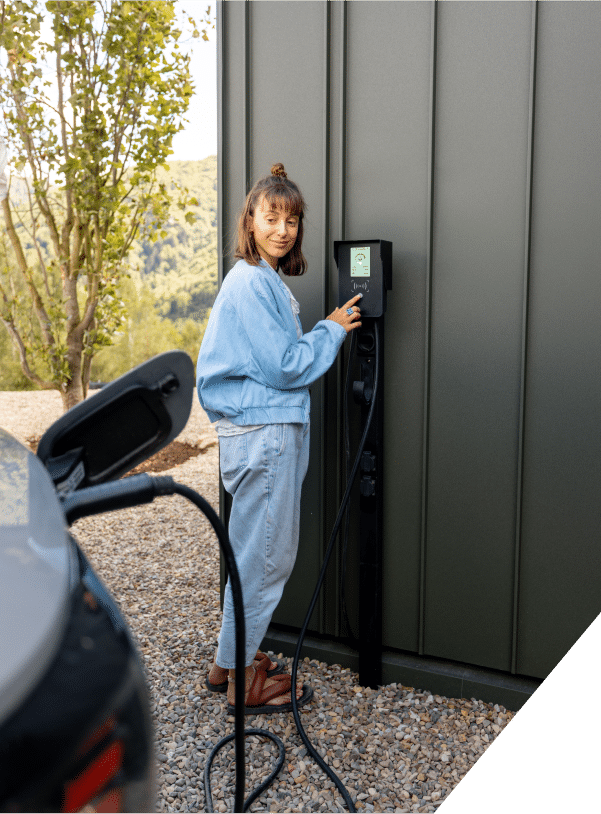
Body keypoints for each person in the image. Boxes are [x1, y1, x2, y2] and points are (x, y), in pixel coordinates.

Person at [196, 163, 362, 714]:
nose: (283, 229)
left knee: (250, 554)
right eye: (272, 217)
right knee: (266, 558)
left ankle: (227, 664)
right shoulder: (249, 281)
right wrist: (332, 328)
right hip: (264, 433)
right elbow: (286, 366)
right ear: (251, 219)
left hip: (257, 431)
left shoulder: (260, 279)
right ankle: (245, 681)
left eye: (292, 220)